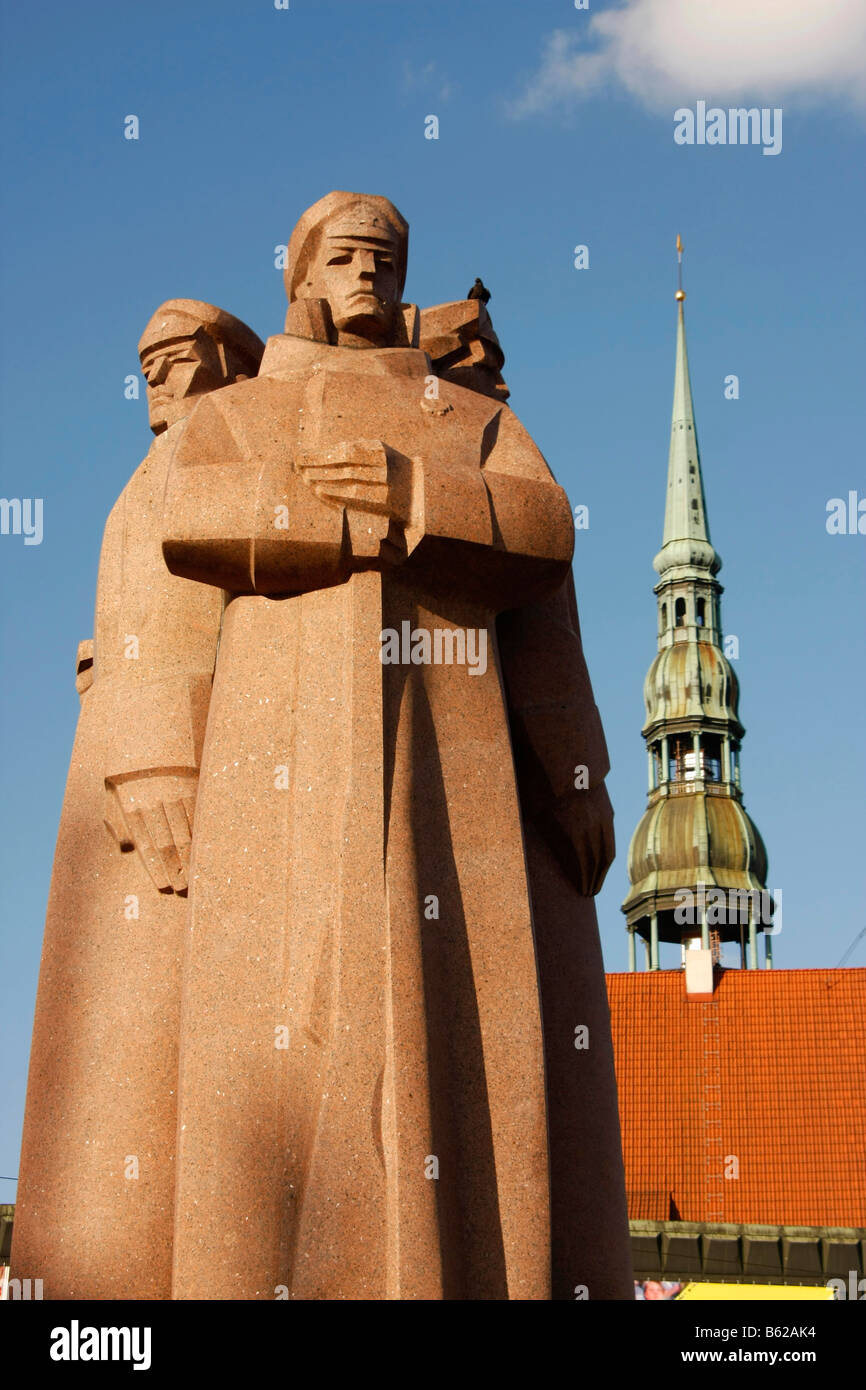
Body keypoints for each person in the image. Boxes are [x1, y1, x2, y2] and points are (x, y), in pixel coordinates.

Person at [162, 193, 632, 1299]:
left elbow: (545, 532)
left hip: (449, 741)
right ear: (303, 276)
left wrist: (417, 494)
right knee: (278, 1051)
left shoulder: (463, 412)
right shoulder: (245, 406)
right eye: (344, 255)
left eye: (383, 256)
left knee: (460, 1030)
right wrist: (329, 517)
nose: (365, 271)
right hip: (275, 749)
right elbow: (186, 512)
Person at [12, 301, 263, 1299]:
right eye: (148, 364)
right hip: (135, 771)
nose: (158, 378)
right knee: (114, 1045)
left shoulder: (220, 451)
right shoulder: (168, 462)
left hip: (185, 770)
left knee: (164, 1044)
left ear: (227, 362)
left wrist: (155, 737)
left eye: (176, 358)